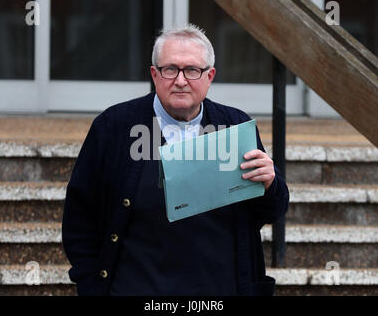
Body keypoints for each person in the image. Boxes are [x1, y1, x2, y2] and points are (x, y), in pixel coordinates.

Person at [62, 24, 289, 296]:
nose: (181, 80)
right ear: (154, 74)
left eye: (192, 70)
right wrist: (91, 286)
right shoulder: (113, 127)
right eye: (170, 69)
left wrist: (270, 184)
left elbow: (268, 211)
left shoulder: (235, 126)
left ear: (210, 76)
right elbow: (79, 216)